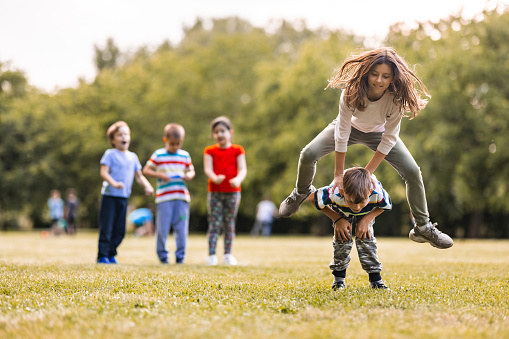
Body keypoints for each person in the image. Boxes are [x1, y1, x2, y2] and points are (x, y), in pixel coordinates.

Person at [279, 47, 453, 249]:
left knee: (413, 171)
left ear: (393, 78)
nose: (379, 80)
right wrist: (338, 175)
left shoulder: (395, 99)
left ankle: (423, 227)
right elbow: (342, 133)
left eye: (385, 76)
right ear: (366, 72)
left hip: (379, 134)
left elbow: (389, 138)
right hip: (349, 128)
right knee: (308, 154)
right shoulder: (350, 93)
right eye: (375, 74)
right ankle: (301, 192)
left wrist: (368, 172)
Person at [309, 167, 392, 290]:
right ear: (342, 193)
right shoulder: (334, 192)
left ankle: (376, 280)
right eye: (352, 201)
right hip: (341, 208)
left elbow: (386, 205)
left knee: (366, 239)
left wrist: (366, 220)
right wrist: (337, 219)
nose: (357, 207)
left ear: (370, 192)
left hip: (368, 210)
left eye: (361, 202)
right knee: (342, 239)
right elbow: (312, 198)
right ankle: (338, 280)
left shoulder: (377, 193)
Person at [97, 121, 154, 264]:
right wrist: (114, 183)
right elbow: (103, 172)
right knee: (107, 227)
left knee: (120, 230)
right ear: (112, 139)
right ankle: (102, 256)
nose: (124, 137)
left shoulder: (132, 157)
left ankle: (111, 253)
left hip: (123, 197)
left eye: (126, 134)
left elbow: (139, 176)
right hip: (110, 196)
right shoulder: (110, 154)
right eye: (120, 135)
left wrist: (147, 185)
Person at [143, 123, 195, 264]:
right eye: (172, 144)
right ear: (165, 140)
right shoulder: (159, 154)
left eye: (179, 143)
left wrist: (189, 175)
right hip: (164, 198)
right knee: (162, 229)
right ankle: (163, 256)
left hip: (181, 197)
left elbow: (191, 170)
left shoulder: (185, 155)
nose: (176, 147)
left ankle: (180, 256)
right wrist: (160, 174)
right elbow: (146, 170)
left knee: (182, 229)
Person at [204, 116, 247, 266]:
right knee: (214, 223)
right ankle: (211, 255)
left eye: (223, 131)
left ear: (230, 132)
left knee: (229, 223)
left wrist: (237, 180)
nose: (220, 134)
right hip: (215, 192)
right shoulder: (209, 151)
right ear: (213, 135)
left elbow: (242, 169)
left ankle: (228, 254)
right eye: (216, 132)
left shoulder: (237, 150)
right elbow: (208, 169)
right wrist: (214, 178)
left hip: (233, 192)